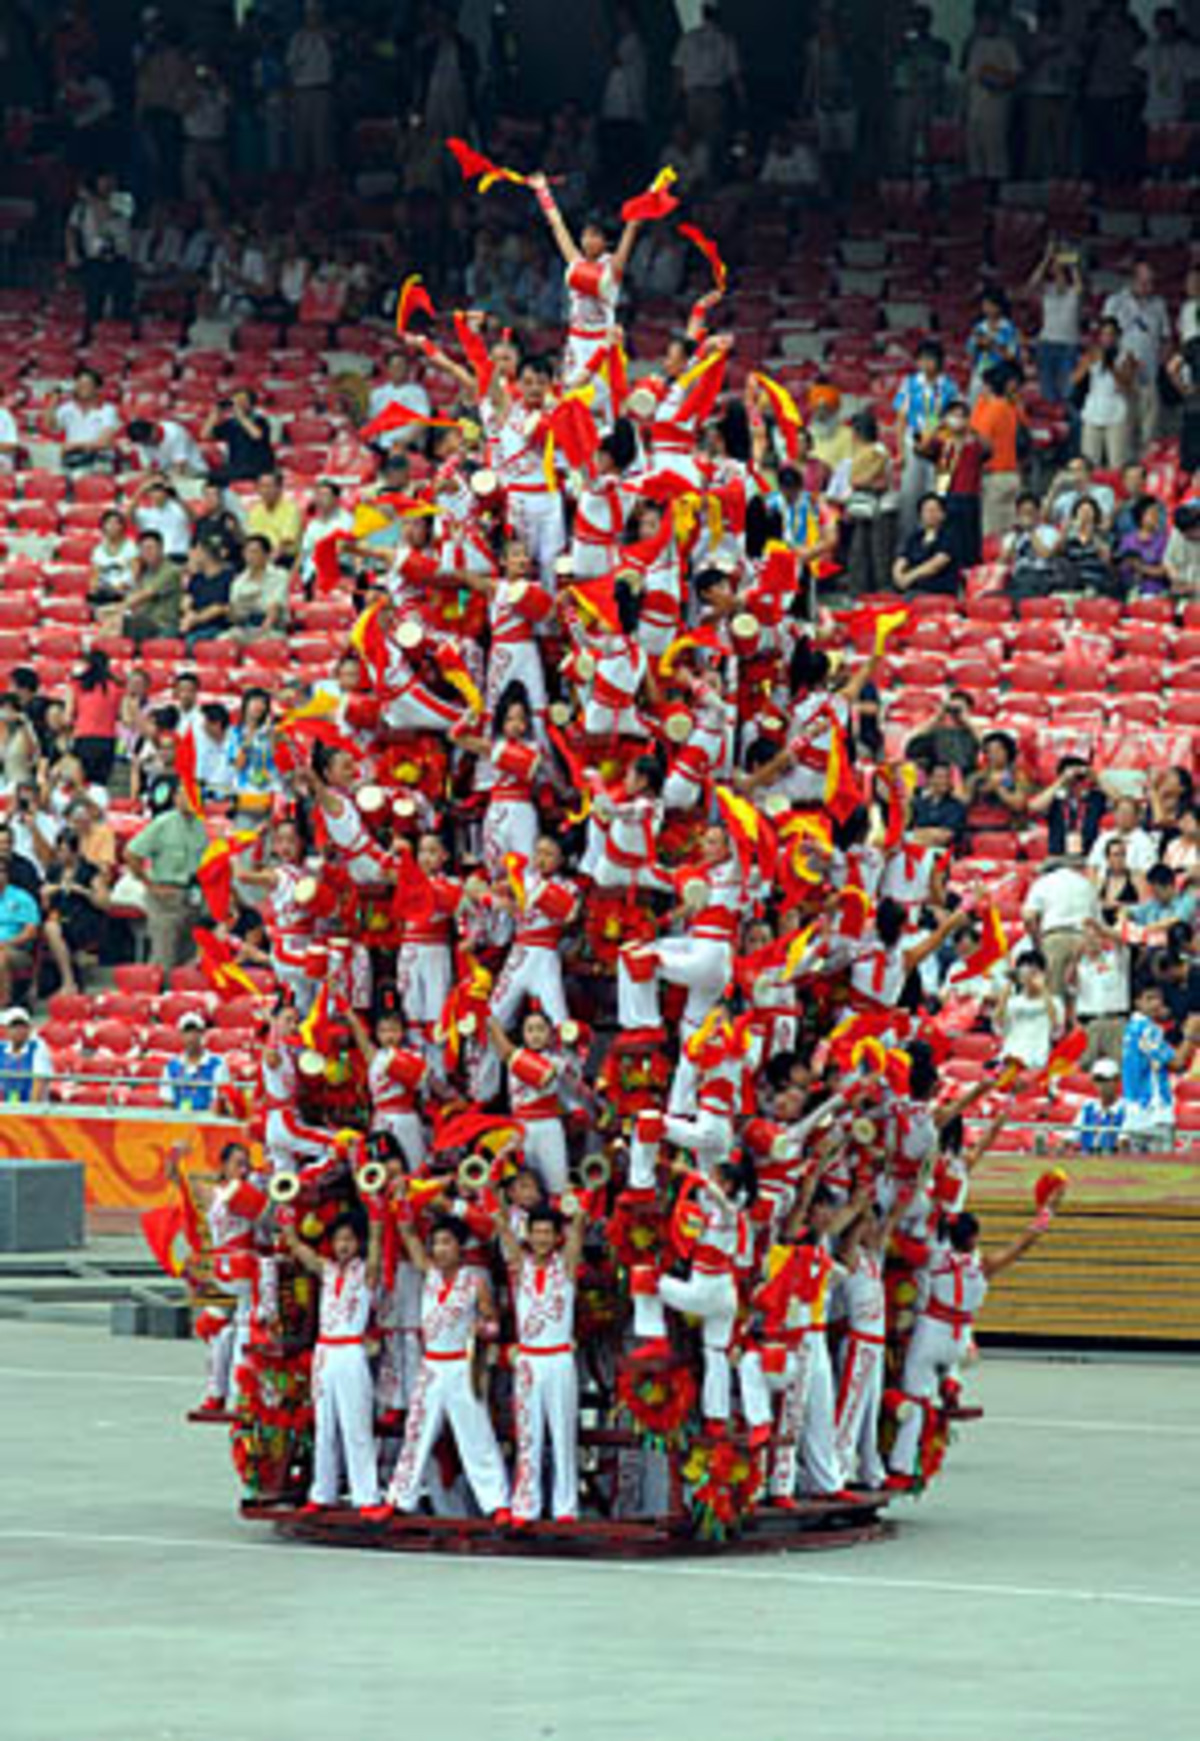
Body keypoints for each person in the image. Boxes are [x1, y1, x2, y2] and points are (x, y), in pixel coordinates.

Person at [887, 1204, 1056, 1490]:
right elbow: (1021, 1246)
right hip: (959, 1339)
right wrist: (1043, 1218)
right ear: (974, 1238)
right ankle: (951, 1383)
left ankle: (901, 1469)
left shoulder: (934, 1258)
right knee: (949, 1365)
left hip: (930, 1334)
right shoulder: (984, 1266)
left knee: (915, 1404)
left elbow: (899, 1245)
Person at [385, 1208, 511, 1522]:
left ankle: (496, 1503)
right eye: (436, 1242)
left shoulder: (474, 1282)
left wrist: (482, 1330)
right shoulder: (429, 1274)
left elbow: (492, 1321)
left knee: (477, 1435)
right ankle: (399, 1499)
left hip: (462, 1366)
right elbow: (409, 1237)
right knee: (416, 1433)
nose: (440, 1249)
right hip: (431, 1368)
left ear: (460, 1247)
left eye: (447, 1242)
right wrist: (402, 1205)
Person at [284, 1211, 388, 1519]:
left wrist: (376, 1215)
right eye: (339, 1239)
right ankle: (322, 1492)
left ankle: (366, 1496)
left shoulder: (366, 1272)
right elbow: (299, 1250)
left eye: (349, 1240)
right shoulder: (327, 1270)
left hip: (351, 1352)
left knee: (356, 1426)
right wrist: (288, 1219)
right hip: (325, 1353)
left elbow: (378, 1248)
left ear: (359, 1243)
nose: (343, 1245)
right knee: (325, 1427)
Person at [494, 1196, 585, 1525]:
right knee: (529, 1434)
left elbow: (576, 1235)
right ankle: (525, 1506)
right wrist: (495, 1203)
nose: (543, 1238)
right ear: (528, 1235)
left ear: (556, 1236)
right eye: (537, 1232)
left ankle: (566, 1508)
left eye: (548, 1232)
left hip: (559, 1359)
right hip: (530, 1361)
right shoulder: (520, 1266)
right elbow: (503, 1231)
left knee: (563, 1434)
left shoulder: (566, 1265)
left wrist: (576, 1214)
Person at [124, 780, 208, 968]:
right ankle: (158, 994)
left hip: (192, 896)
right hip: (165, 897)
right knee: (163, 956)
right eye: (184, 795)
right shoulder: (163, 823)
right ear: (176, 798)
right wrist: (149, 884)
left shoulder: (201, 827)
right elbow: (131, 853)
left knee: (187, 956)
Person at [1103, 262, 1172, 454]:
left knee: (1149, 433)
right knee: (1122, 431)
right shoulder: (1115, 302)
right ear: (1132, 279)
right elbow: (1105, 338)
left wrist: (1162, 365)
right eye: (1144, 282)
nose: (1148, 287)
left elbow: (1166, 338)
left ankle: (1146, 472)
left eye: (1151, 282)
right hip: (1121, 377)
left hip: (1148, 376)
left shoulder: (1159, 304)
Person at [64, 171, 135, 339]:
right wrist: (71, 251)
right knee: (93, 304)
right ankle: (91, 341)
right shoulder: (81, 207)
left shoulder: (124, 200)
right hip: (95, 260)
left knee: (121, 305)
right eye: (103, 179)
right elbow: (71, 229)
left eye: (111, 178)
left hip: (119, 259)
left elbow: (106, 213)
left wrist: (89, 198)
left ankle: (121, 342)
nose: (107, 182)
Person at [1023, 857, 1101, 995]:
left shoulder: (1043, 883)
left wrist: (1037, 943)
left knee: (1055, 997)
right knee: (1083, 998)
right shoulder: (1086, 884)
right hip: (1085, 939)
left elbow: (1028, 917)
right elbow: (1098, 922)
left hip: (1055, 939)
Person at [963, 7, 1021, 181]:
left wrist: (999, 82)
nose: (986, 25)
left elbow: (1016, 74)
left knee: (995, 150)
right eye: (983, 21)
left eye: (990, 20)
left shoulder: (1006, 45)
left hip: (996, 106)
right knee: (974, 151)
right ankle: (977, 191)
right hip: (975, 107)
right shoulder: (975, 45)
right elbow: (969, 77)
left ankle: (996, 193)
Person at [1074, 318, 1137, 471]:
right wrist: (1088, 362)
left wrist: (1111, 366)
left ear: (1118, 336)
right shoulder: (1092, 354)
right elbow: (1075, 379)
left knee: (1117, 464)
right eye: (1104, 334)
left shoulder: (1126, 355)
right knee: (1088, 463)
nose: (1107, 338)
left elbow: (1127, 387)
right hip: (1093, 411)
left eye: (1111, 334)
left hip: (1116, 413)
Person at [1028, 238, 1083, 406]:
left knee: (1068, 392)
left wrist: (1070, 261)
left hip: (1068, 345)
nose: (1057, 272)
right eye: (1054, 270)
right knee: (1047, 392)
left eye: (1060, 270)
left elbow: (1078, 283)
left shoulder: (1074, 292)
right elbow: (1032, 284)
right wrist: (1046, 258)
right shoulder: (1047, 290)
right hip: (1047, 344)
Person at [970, 366, 1023, 541]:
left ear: (989, 386)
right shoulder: (1009, 407)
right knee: (1008, 536)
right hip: (1011, 475)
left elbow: (981, 442)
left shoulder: (993, 409)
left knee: (991, 537)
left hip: (995, 478)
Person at [45, 367, 120, 470]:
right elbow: (51, 426)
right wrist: (53, 401)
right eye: (79, 384)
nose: (81, 388)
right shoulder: (67, 408)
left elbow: (104, 442)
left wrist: (74, 446)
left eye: (86, 385)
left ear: (97, 389)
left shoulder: (107, 410)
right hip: (72, 458)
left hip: (99, 460)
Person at [892, 493, 960, 596]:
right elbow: (901, 560)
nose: (930, 514)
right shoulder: (915, 537)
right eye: (926, 510)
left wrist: (910, 577)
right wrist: (898, 577)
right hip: (912, 588)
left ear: (943, 515)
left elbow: (937, 564)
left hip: (936, 591)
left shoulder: (948, 536)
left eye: (934, 510)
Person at [201, 389, 275, 484]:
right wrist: (215, 413)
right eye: (236, 401)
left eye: (242, 401)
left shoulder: (260, 420)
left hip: (258, 467)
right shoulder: (231, 423)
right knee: (208, 479)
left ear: (251, 404)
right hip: (236, 466)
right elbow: (205, 435)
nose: (238, 404)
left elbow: (256, 435)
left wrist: (240, 416)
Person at [159, 1012, 230, 1111]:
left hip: (207, 1121)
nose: (191, 1037)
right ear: (181, 1035)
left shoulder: (217, 1064)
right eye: (187, 1032)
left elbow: (218, 1102)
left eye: (195, 1031)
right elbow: (168, 1102)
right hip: (179, 1121)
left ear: (202, 1034)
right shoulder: (171, 1066)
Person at [0, 861, 41, 1010]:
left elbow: (31, 932)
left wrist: (7, 943)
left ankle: (4, 1005)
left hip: (18, 951)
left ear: (6, 875)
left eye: (1, 871)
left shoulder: (22, 898)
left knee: (1, 956)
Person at [244, 469, 302, 564]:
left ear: (279, 488)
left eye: (269, 486)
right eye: (262, 487)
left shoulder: (290, 509)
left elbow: (286, 542)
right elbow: (252, 538)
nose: (265, 491)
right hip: (259, 556)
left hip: (283, 557)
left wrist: (268, 560)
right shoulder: (255, 510)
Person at [0, 1006, 52, 1104]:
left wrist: (29, 1112)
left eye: (23, 1026)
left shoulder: (38, 1048)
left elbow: (39, 1082)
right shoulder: (1, 1048)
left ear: (29, 1028)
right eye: (14, 1026)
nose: (19, 1030)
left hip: (32, 1110)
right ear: (6, 1029)